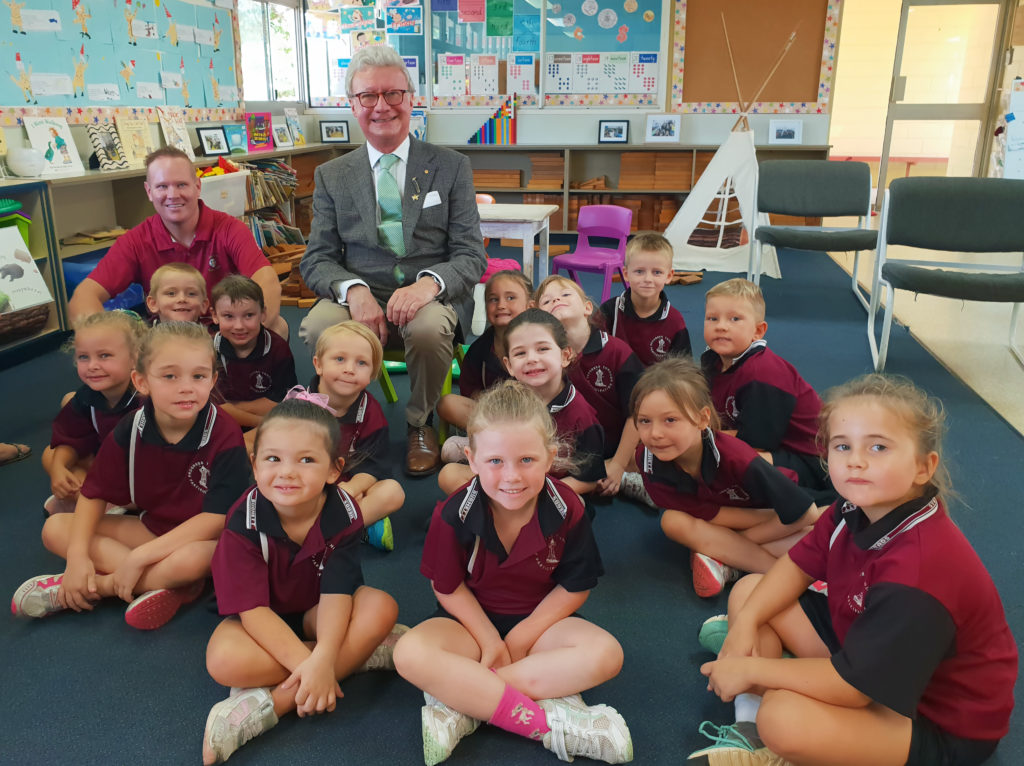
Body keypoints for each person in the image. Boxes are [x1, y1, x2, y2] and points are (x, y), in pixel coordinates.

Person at [690, 374, 1018, 766]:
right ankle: (749, 727)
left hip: (934, 721)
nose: (856, 460)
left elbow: (854, 688)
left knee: (782, 718)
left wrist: (753, 668)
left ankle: (780, 720)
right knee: (750, 594)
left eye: (878, 447)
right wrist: (745, 628)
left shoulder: (918, 572)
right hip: (868, 654)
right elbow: (796, 565)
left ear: (923, 467)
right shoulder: (851, 507)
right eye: (842, 445)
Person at [393, 381, 632, 766]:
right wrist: (489, 639)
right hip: (470, 628)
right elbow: (448, 588)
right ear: (470, 460)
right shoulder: (452, 514)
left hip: (541, 627)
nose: (512, 477)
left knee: (607, 654)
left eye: (527, 460)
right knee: (408, 653)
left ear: (551, 456)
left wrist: (522, 635)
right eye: (495, 462)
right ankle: (547, 723)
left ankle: (464, 701)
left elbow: (574, 587)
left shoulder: (568, 507)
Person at [298, 44, 487, 476]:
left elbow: (471, 253)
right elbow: (317, 260)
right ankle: (342, 419)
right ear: (353, 105)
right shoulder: (333, 175)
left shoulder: (451, 166)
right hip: (359, 293)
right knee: (317, 325)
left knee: (427, 328)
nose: (382, 106)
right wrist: (354, 290)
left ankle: (420, 423)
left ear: (411, 98)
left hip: (429, 296)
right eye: (368, 96)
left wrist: (427, 286)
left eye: (393, 94)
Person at [12, 322, 252, 630]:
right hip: (152, 528)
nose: (186, 387)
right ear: (141, 381)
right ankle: (171, 585)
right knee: (56, 529)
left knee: (196, 558)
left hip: (207, 539)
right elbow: (94, 494)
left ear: (213, 379)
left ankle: (104, 587)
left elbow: (216, 519)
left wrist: (138, 559)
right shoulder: (131, 427)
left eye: (199, 376)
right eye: (169, 376)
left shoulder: (225, 432)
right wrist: (77, 557)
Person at [202, 396, 402, 765]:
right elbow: (253, 612)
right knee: (223, 662)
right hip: (259, 623)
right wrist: (316, 667)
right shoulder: (240, 523)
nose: (287, 472)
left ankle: (272, 704)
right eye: (273, 458)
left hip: (318, 609)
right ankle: (361, 654)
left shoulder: (344, 511)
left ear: (333, 470)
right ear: (255, 464)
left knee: (381, 606)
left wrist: (324, 657)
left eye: (306, 459)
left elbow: (337, 592)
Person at [631, 357, 819, 598]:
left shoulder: (737, 457)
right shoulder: (647, 459)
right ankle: (767, 570)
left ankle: (730, 562)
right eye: (644, 421)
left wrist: (737, 541)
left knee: (820, 532)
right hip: (724, 519)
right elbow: (705, 514)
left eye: (670, 420)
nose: (655, 434)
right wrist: (727, 539)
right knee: (672, 522)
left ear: (702, 419)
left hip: (777, 513)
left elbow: (805, 513)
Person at [67, 147, 287, 339]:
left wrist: (248, 332)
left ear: (198, 186)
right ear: (149, 191)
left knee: (279, 326)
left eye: (181, 184)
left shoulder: (229, 229)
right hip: (167, 341)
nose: (172, 195)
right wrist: (105, 342)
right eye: (162, 187)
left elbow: (266, 280)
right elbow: (85, 295)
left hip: (226, 335)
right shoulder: (136, 240)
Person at [438, 309, 605, 499]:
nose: (532, 359)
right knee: (448, 475)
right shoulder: (505, 400)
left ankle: (500, 518)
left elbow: (588, 480)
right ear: (509, 365)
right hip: (506, 480)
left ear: (565, 355)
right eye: (520, 353)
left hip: (547, 491)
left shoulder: (581, 414)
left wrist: (535, 490)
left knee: (577, 507)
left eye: (542, 349)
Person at [702, 279, 832, 500]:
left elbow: (755, 444)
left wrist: (693, 439)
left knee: (718, 452)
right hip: (772, 447)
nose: (721, 325)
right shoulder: (712, 360)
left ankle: (814, 508)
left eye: (735, 319)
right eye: (712, 318)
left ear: (758, 331)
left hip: (811, 464)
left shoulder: (763, 373)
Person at [536, 276, 643, 497]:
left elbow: (638, 413)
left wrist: (618, 464)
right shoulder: (543, 359)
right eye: (547, 301)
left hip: (616, 444)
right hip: (571, 448)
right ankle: (606, 482)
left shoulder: (617, 352)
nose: (556, 299)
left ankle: (620, 477)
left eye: (565, 295)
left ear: (587, 308)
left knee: (653, 450)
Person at [310, 321, 405, 551]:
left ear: (373, 373)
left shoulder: (371, 412)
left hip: (351, 487)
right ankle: (357, 526)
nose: (349, 369)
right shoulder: (298, 408)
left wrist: (351, 490)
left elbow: (374, 466)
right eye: (339, 359)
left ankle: (330, 531)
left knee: (393, 492)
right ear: (318, 364)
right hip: (310, 485)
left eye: (361, 363)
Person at [41, 311, 146, 515]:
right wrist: (58, 470)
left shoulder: (146, 399)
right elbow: (70, 437)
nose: (93, 366)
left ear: (135, 357)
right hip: (106, 469)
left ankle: (94, 504)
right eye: (83, 357)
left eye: (104, 355)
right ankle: (92, 501)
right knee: (51, 455)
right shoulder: (87, 397)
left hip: (141, 476)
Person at [438, 269, 532, 464]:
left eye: (511, 298)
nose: (501, 305)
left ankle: (492, 449)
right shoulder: (480, 348)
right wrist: (483, 400)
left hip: (532, 416)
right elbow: (470, 389)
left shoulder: (538, 341)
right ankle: (499, 446)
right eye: (493, 299)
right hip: (494, 415)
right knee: (446, 403)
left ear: (530, 306)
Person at [210, 275, 297, 437]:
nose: (239, 326)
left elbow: (278, 403)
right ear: (214, 315)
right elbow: (212, 408)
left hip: (272, 424)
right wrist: (261, 420)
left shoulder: (278, 348)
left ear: (263, 314)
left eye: (248, 315)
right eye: (228, 316)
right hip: (225, 425)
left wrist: (230, 408)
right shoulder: (209, 350)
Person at [599, 232, 691, 366]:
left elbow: (683, 370)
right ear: (626, 274)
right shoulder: (609, 311)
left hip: (656, 385)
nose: (648, 279)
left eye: (657, 272)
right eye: (639, 271)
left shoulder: (675, 321)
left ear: (669, 276)